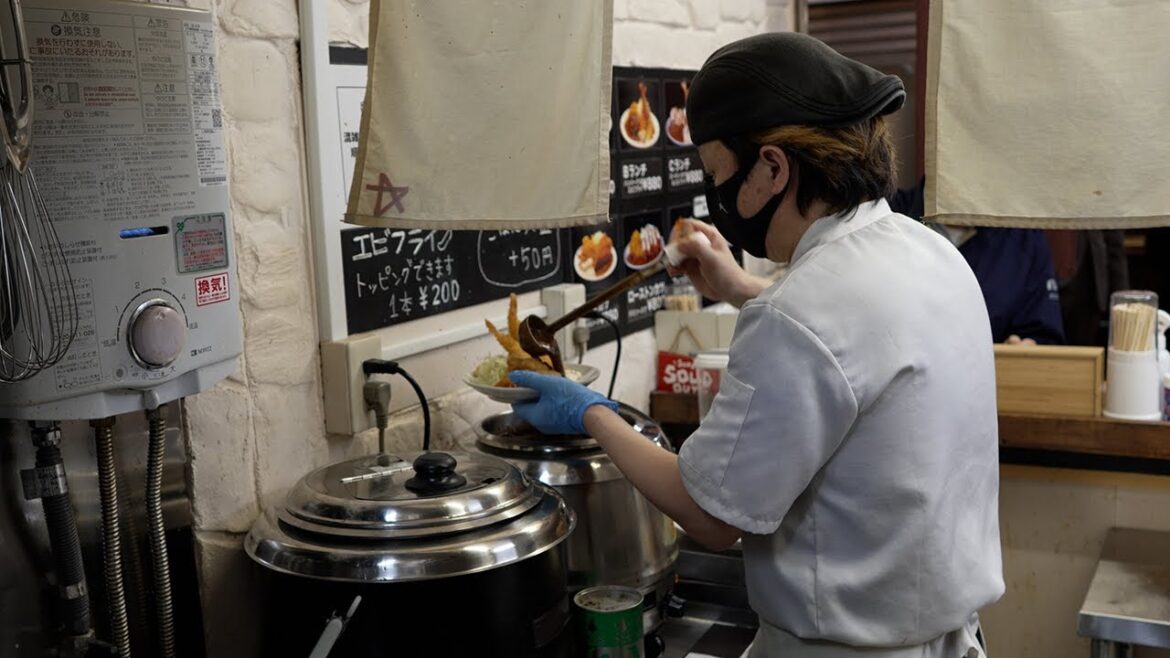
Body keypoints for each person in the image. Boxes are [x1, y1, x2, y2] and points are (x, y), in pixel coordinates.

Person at [509, 33, 1002, 657]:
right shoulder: (924, 251)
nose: (719, 198)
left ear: (772, 167)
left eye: (720, 175)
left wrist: (588, 411)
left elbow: (711, 517)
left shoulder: (800, 314)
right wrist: (741, 287)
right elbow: (855, 348)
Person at [890, 177, 1065, 345]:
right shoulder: (888, 220)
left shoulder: (1024, 237)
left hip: (997, 372)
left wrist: (1026, 346)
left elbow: (1043, 336)